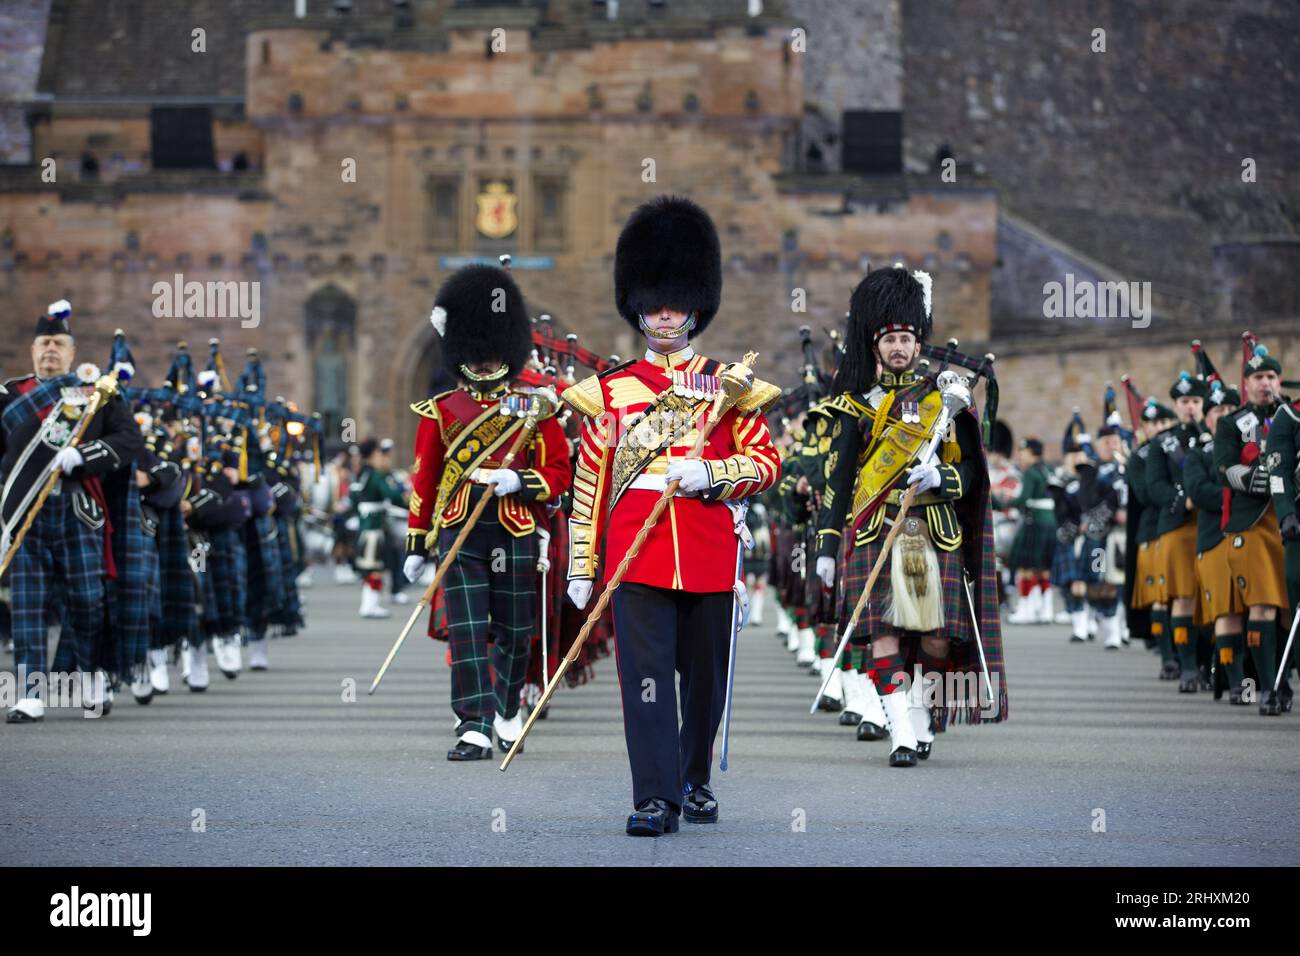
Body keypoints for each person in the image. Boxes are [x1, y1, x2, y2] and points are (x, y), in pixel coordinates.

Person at [561, 196, 781, 835]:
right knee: (646, 684)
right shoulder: (610, 393)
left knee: (704, 684)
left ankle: (695, 777)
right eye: (654, 302)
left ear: (694, 307)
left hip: (710, 555)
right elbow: (589, 484)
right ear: (637, 306)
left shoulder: (726, 385)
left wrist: (714, 474)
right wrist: (581, 564)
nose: (665, 313)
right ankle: (655, 796)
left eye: (676, 302)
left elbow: (766, 463)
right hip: (638, 559)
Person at [814, 266, 1008, 768]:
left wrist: (941, 480)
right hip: (878, 528)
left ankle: (921, 716)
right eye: (891, 339)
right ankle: (901, 726)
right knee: (884, 630)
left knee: (935, 636)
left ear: (919, 344)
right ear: (876, 346)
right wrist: (827, 548)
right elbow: (839, 485)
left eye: (907, 337)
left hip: (932, 529)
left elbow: (974, 474)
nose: (899, 347)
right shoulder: (854, 407)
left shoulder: (942, 401)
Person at [404, 263, 571, 760]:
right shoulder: (441, 411)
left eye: (489, 353)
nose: (481, 363)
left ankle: (506, 706)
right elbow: (425, 480)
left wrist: (519, 480)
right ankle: (473, 723)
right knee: (468, 630)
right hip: (460, 531)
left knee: (517, 631)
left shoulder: (535, 408)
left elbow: (560, 471)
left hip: (515, 528)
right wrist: (416, 541)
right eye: (473, 354)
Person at [1, 301, 143, 722]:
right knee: (28, 603)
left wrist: (85, 456)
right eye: (43, 343)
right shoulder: (8, 396)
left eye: (58, 344)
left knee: (86, 601)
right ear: (31, 350)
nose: (49, 350)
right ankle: (30, 693)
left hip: (78, 511)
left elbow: (129, 440)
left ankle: (92, 676)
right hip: (25, 512)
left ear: (71, 351)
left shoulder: (94, 394)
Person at [1213, 341, 1291, 715]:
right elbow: (1223, 466)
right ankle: (1266, 687)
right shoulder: (1231, 423)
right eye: (1258, 377)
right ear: (1246, 384)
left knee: (1290, 610)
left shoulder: (1292, 416)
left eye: (1271, 376)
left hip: (1290, 519)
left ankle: (1284, 678)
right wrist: (1258, 479)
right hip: (1253, 523)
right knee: (1261, 607)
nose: (1266, 383)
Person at [1145, 370, 1209, 691]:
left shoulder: (1217, 436)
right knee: (1184, 597)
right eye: (1184, 401)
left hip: (1213, 524)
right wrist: (1182, 501)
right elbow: (1154, 486)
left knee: (1212, 599)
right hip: (1179, 525)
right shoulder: (1163, 443)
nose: (1190, 407)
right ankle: (1187, 668)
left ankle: (1210, 666)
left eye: (1196, 401)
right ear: (1176, 404)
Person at [1000, 438, 1058, 624]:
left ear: (1033, 453)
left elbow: (1023, 499)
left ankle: (1026, 609)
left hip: (1034, 523)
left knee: (1025, 567)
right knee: (1043, 569)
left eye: (1023, 452)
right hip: (1050, 522)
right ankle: (1046, 609)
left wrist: (1002, 503)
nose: (1020, 456)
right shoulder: (1049, 469)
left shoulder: (1031, 472)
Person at [351, 437, 406, 619]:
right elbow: (391, 495)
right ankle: (370, 605)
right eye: (377, 453)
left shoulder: (362, 473)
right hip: (374, 526)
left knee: (371, 567)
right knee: (375, 567)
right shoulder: (375, 474)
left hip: (365, 524)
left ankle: (369, 604)